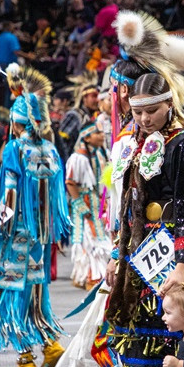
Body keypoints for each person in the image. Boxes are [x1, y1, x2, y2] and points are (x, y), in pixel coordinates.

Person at [108, 72, 184, 367]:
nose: (143, 118)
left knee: (169, 352)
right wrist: (115, 255)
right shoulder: (136, 143)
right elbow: (126, 207)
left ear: (169, 103)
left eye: (151, 110)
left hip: (172, 260)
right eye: (137, 112)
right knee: (140, 352)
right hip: (138, 259)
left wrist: (183, 267)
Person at [0, 65, 72, 367]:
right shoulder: (49, 149)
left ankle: (25, 359)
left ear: (16, 120)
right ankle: (50, 345)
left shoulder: (15, 149)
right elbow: (58, 197)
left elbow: (9, 195)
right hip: (40, 237)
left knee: (11, 294)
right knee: (35, 291)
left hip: (17, 233)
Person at [66, 122, 110, 290]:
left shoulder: (100, 153)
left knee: (97, 237)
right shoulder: (78, 158)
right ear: (87, 137)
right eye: (97, 133)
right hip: (86, 203)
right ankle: (92, 277)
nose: (101, 135)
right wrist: (79, 205)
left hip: (98, 202)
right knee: (90, 240)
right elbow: (70, 183)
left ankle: (91, 275)